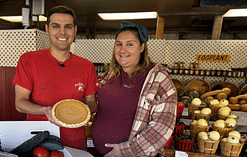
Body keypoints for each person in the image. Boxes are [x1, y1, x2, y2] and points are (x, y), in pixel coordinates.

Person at [12, 5, 99, 150]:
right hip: (38, 144)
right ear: (47, 29)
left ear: (75, 30)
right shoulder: (28, 60)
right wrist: (45, 110)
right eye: (56, 26)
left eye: (68, 27)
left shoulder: (86, 66)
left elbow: (91, 102)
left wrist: (85, 110)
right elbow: (20, 103)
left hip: (75, 145)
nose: (62, 32)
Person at [91, 20, 177, 157]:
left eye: (130, 44)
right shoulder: (111, 73)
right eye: (119, 44)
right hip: (99, 152)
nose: (122, 50)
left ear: (142, 47)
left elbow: (162, 128)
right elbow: (95, 102)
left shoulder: (159, 79)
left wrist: (125, 151)